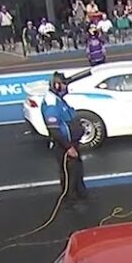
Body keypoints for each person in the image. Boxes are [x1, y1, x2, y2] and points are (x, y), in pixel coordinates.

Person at [40, 73, 88, 209]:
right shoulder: (51, 103)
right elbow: (54, 130)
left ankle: (81, 194)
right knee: (69, 174)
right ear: (56, 85)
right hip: (64, 145)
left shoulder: (58, 99)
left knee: (77, 169)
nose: (66, 87)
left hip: (72, 142)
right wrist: (68, 147)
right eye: (64, 84)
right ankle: (70, 200)